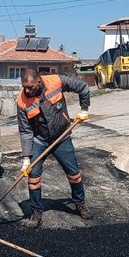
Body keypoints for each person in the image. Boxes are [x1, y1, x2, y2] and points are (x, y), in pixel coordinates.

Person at [16, 68, 92, 229]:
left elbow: (83, 87)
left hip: (61, 137)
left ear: (39, 81)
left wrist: (84, 109)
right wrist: (26, 159)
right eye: (24, 86)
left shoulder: (55, 81)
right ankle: (36, 214)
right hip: (40, 140)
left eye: (30, 87)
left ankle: (80, 204)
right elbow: (25, 131)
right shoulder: (21, 102)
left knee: (74, 174)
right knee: (33, 176)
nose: (27, 90)